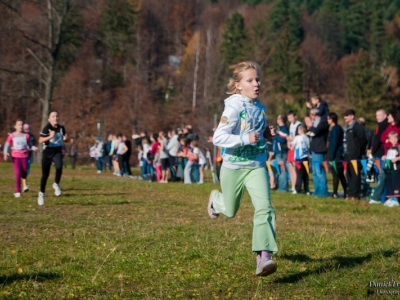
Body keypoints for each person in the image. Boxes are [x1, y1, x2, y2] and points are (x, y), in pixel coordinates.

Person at [208, 61, 278, 277]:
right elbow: (219, 137)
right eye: (250, 80)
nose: (256, 84)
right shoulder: (234, 106)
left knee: (265, 208)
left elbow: (254, 131)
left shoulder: (259, 107)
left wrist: (265, 134)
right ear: (238, 85)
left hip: (256, 166)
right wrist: (243, 138)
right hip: (234, 167)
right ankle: (215, 199)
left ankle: (263, 255)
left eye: (257, 80)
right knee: (230, 211)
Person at [38, 110, 67, 205]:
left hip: (57, 151)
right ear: (49, 119)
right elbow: (40, 140)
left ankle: (56, 184)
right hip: (47, 153)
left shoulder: (61, 128)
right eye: (53, 116)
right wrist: (50, 137)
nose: (56, 118)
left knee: (59, 167)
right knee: (45, 175)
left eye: (57, 116)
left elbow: (64, 137)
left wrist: (65, 139)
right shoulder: (46, 128)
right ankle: (41, 194)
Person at [343, 109, 367, 200]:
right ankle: (350, 193)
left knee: (355, 175)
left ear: (352, 116)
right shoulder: (346, 128)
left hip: (355, 155)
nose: (345, 117)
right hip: (347, 155)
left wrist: (358, 151)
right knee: (349, 175)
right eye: (344, 116)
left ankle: (355, 194)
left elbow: (363, 140)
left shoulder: (358, 127)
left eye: (347, 115)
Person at [3, 119, 31, 197]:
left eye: (21, 125)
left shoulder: (26, 135)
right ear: (15, 126)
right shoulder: (12, 135)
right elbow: (7, 145)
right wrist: (6, 153)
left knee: (24, 173)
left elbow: (29, 144)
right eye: (18, 125)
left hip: (24, 156)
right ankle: (18, 191)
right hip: (15, 157)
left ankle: (23, 184)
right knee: (18, 173)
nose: (20, 126)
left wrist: (32, 147)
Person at [369, 109, 389, 204]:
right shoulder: (380, 125)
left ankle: (382, 197)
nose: (377, 117)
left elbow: (377, 140)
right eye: (376, 115)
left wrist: (372, 151)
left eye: (379, 115)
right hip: (377, 153)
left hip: (380, 154)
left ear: (385, 116)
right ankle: (381, 196)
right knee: (379, 176)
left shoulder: (383, 125)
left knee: (381, 176)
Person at [307, 108, 329, 197]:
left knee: (319, 172)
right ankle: (317, 190)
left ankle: (323, 192)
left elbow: (316, 131)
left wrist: (310, 125)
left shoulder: (322, 123)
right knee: (315, 173)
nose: (312, 117)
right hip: (313, 150)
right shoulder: (314, 123)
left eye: (313, 115)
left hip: (319, 150)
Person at [327, 112, 347, 198]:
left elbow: (334, 144)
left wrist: (331, 157)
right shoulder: (338, 128)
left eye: (328, 119)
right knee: (341, 174)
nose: (327, 120)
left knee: (336, 175)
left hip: (336, 155)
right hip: (339, 154)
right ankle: (346, 191)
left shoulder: (335, 129)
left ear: (332, 119)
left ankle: (335, 193)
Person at [289, 125, 310, 195]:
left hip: (299, 158)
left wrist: (290, 146)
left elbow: (292, 147)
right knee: (306, 174)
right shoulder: (307, 138)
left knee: (299, 174)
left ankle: (298, 189)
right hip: (306, 157)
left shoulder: (298, 137)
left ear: (300, 130)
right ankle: (307, 190)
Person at [382, 131, 400, 207]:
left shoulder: (399, 146)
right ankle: (390, 197)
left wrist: (397, 158)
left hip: (397, 167)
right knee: (389, 181)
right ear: (389, 139)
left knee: (396, 182)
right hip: (389, 168)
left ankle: (396, 198)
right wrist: (384, 157)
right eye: (392, 139)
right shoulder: (388, 148)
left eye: (395, 139)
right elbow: (387, 155)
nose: (394, 141)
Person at [286, 110, 302, 194]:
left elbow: (298, 137)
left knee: (295, 168)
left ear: (295, 116)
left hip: (296, 149)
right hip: (291, 148)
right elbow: (289, 136)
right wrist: (288, 142)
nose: (290, 119)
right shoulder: (291, 125)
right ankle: (292, 186)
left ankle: (296, 186)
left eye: (291, 117)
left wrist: (291, 140)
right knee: (291, 168)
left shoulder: (299, 125)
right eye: (288, 118)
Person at [273, 114, 289, 192]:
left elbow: (283, 140)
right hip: (277, 152)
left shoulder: (284, 129)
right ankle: (280, 186)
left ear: (280, 120)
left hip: (281, 152)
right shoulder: (279, 129)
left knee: (283, 170)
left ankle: (283, 188)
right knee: (279, 170)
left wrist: (275, 135)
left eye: (278, 118)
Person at [22, 123, 38, 190]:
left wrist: (34, 147)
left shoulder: (31, 136)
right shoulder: (21, 135)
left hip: (29, 155)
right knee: (24, 169)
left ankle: (24, 184)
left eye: (27, 129)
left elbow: (32, 144)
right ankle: (24, 185)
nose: (26, 130)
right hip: (22, 155)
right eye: (25, 129)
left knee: (27, 170)